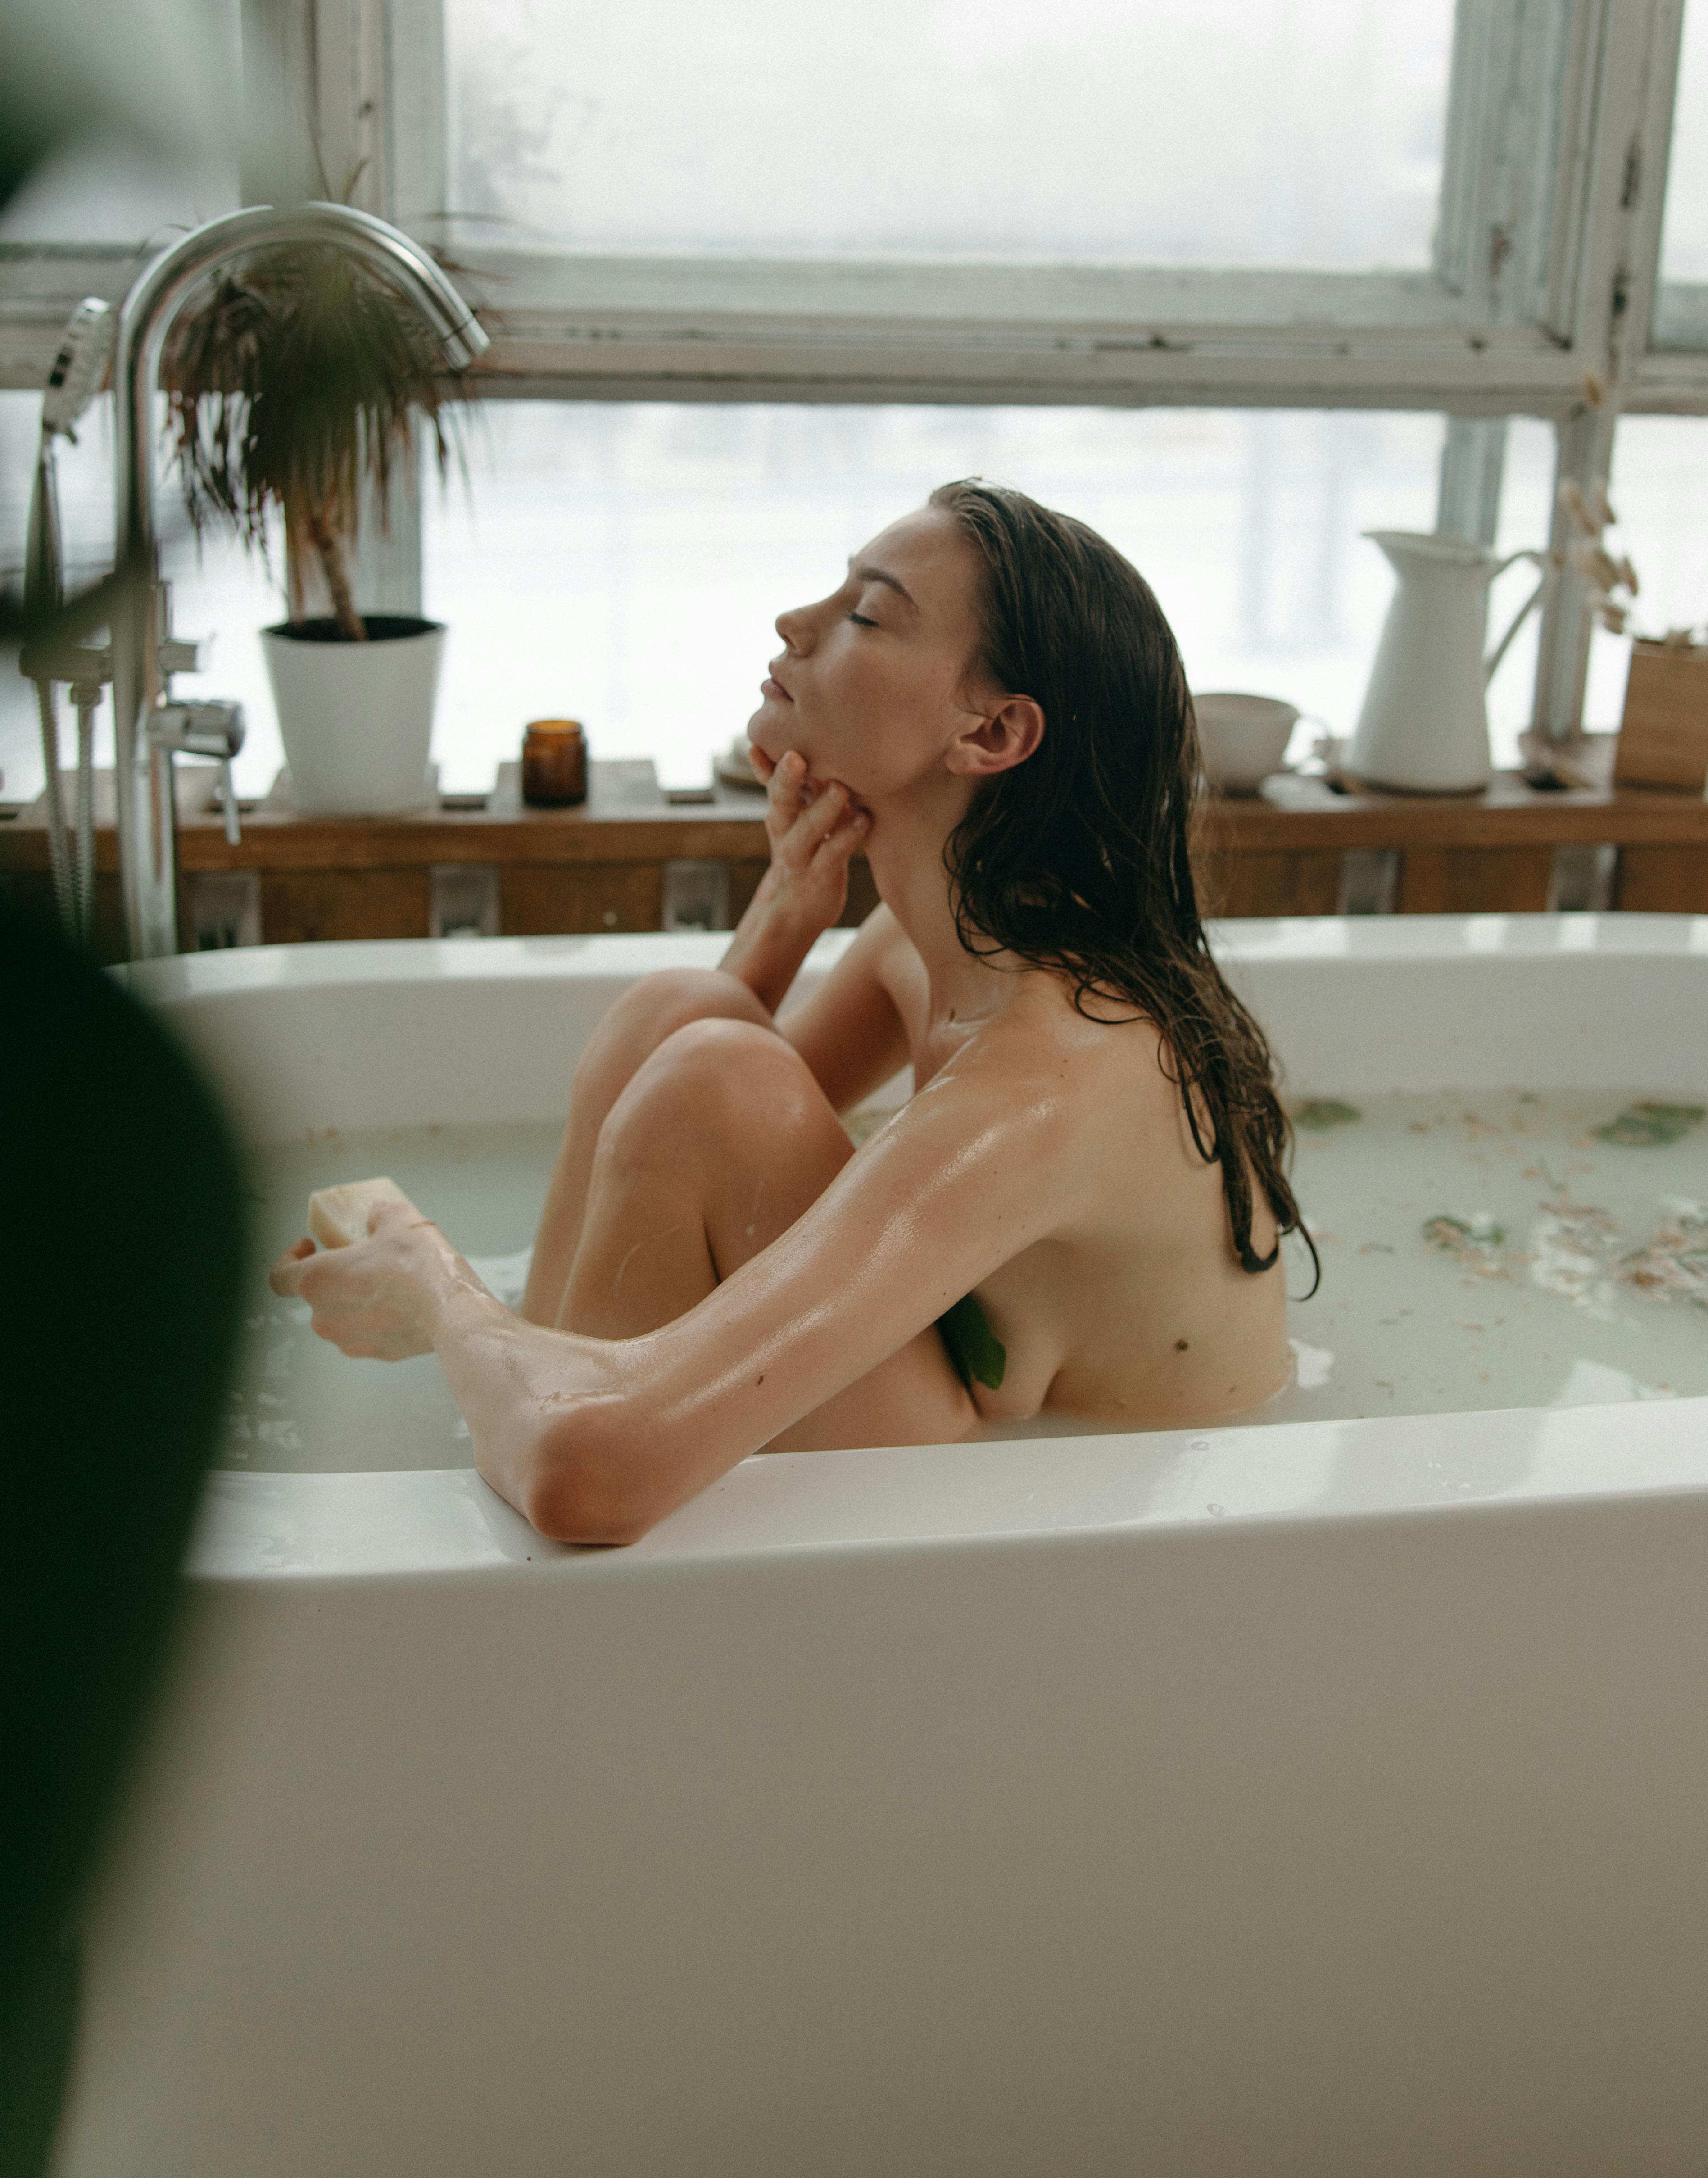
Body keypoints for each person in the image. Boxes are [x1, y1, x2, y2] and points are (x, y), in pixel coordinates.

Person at [271, 480, 1312, 1543]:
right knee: (684, 1013)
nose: (795, 624)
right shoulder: (936, 943)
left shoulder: (1051, 1073)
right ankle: (533, 1388)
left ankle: (547, 1407)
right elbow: (678, 1174)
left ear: (992, 733)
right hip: (975, 1393)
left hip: (1107, 1514)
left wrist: (439, 1299)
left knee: (715, 1071)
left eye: (866, 614)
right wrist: (782, 919)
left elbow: (600, 1474)